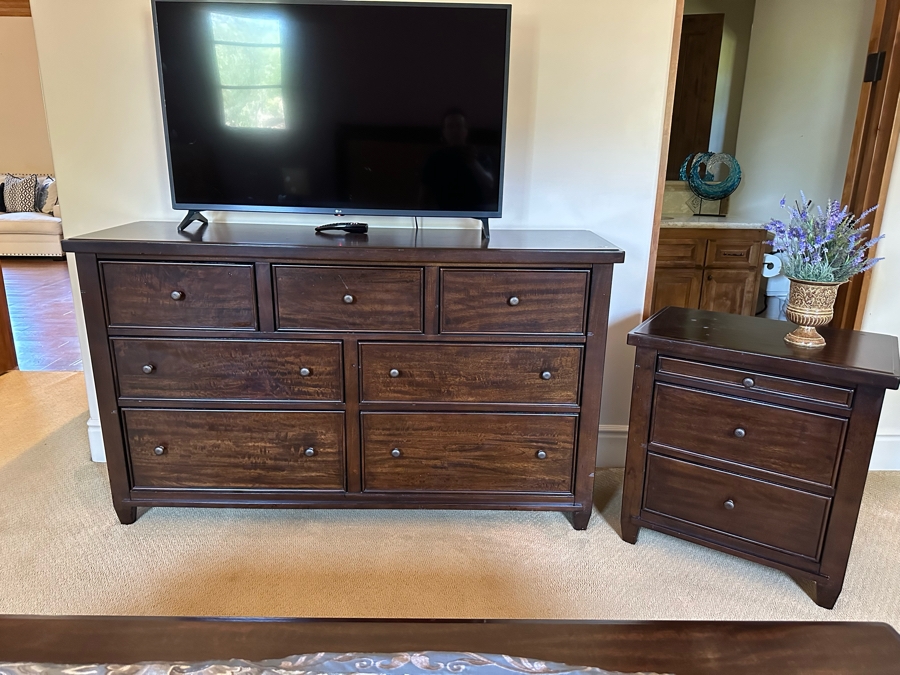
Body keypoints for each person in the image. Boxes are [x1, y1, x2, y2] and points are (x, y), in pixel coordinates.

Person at [420, 108, 495, 211]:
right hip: (443, 215)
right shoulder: (435, 159)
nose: (455, 131)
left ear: (466, 130)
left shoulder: (480, 155)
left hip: (476, 214)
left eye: (459, 126)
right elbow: (424, 195)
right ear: (444, 132)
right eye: (450, 127)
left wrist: (473, 162)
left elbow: (490, 185)